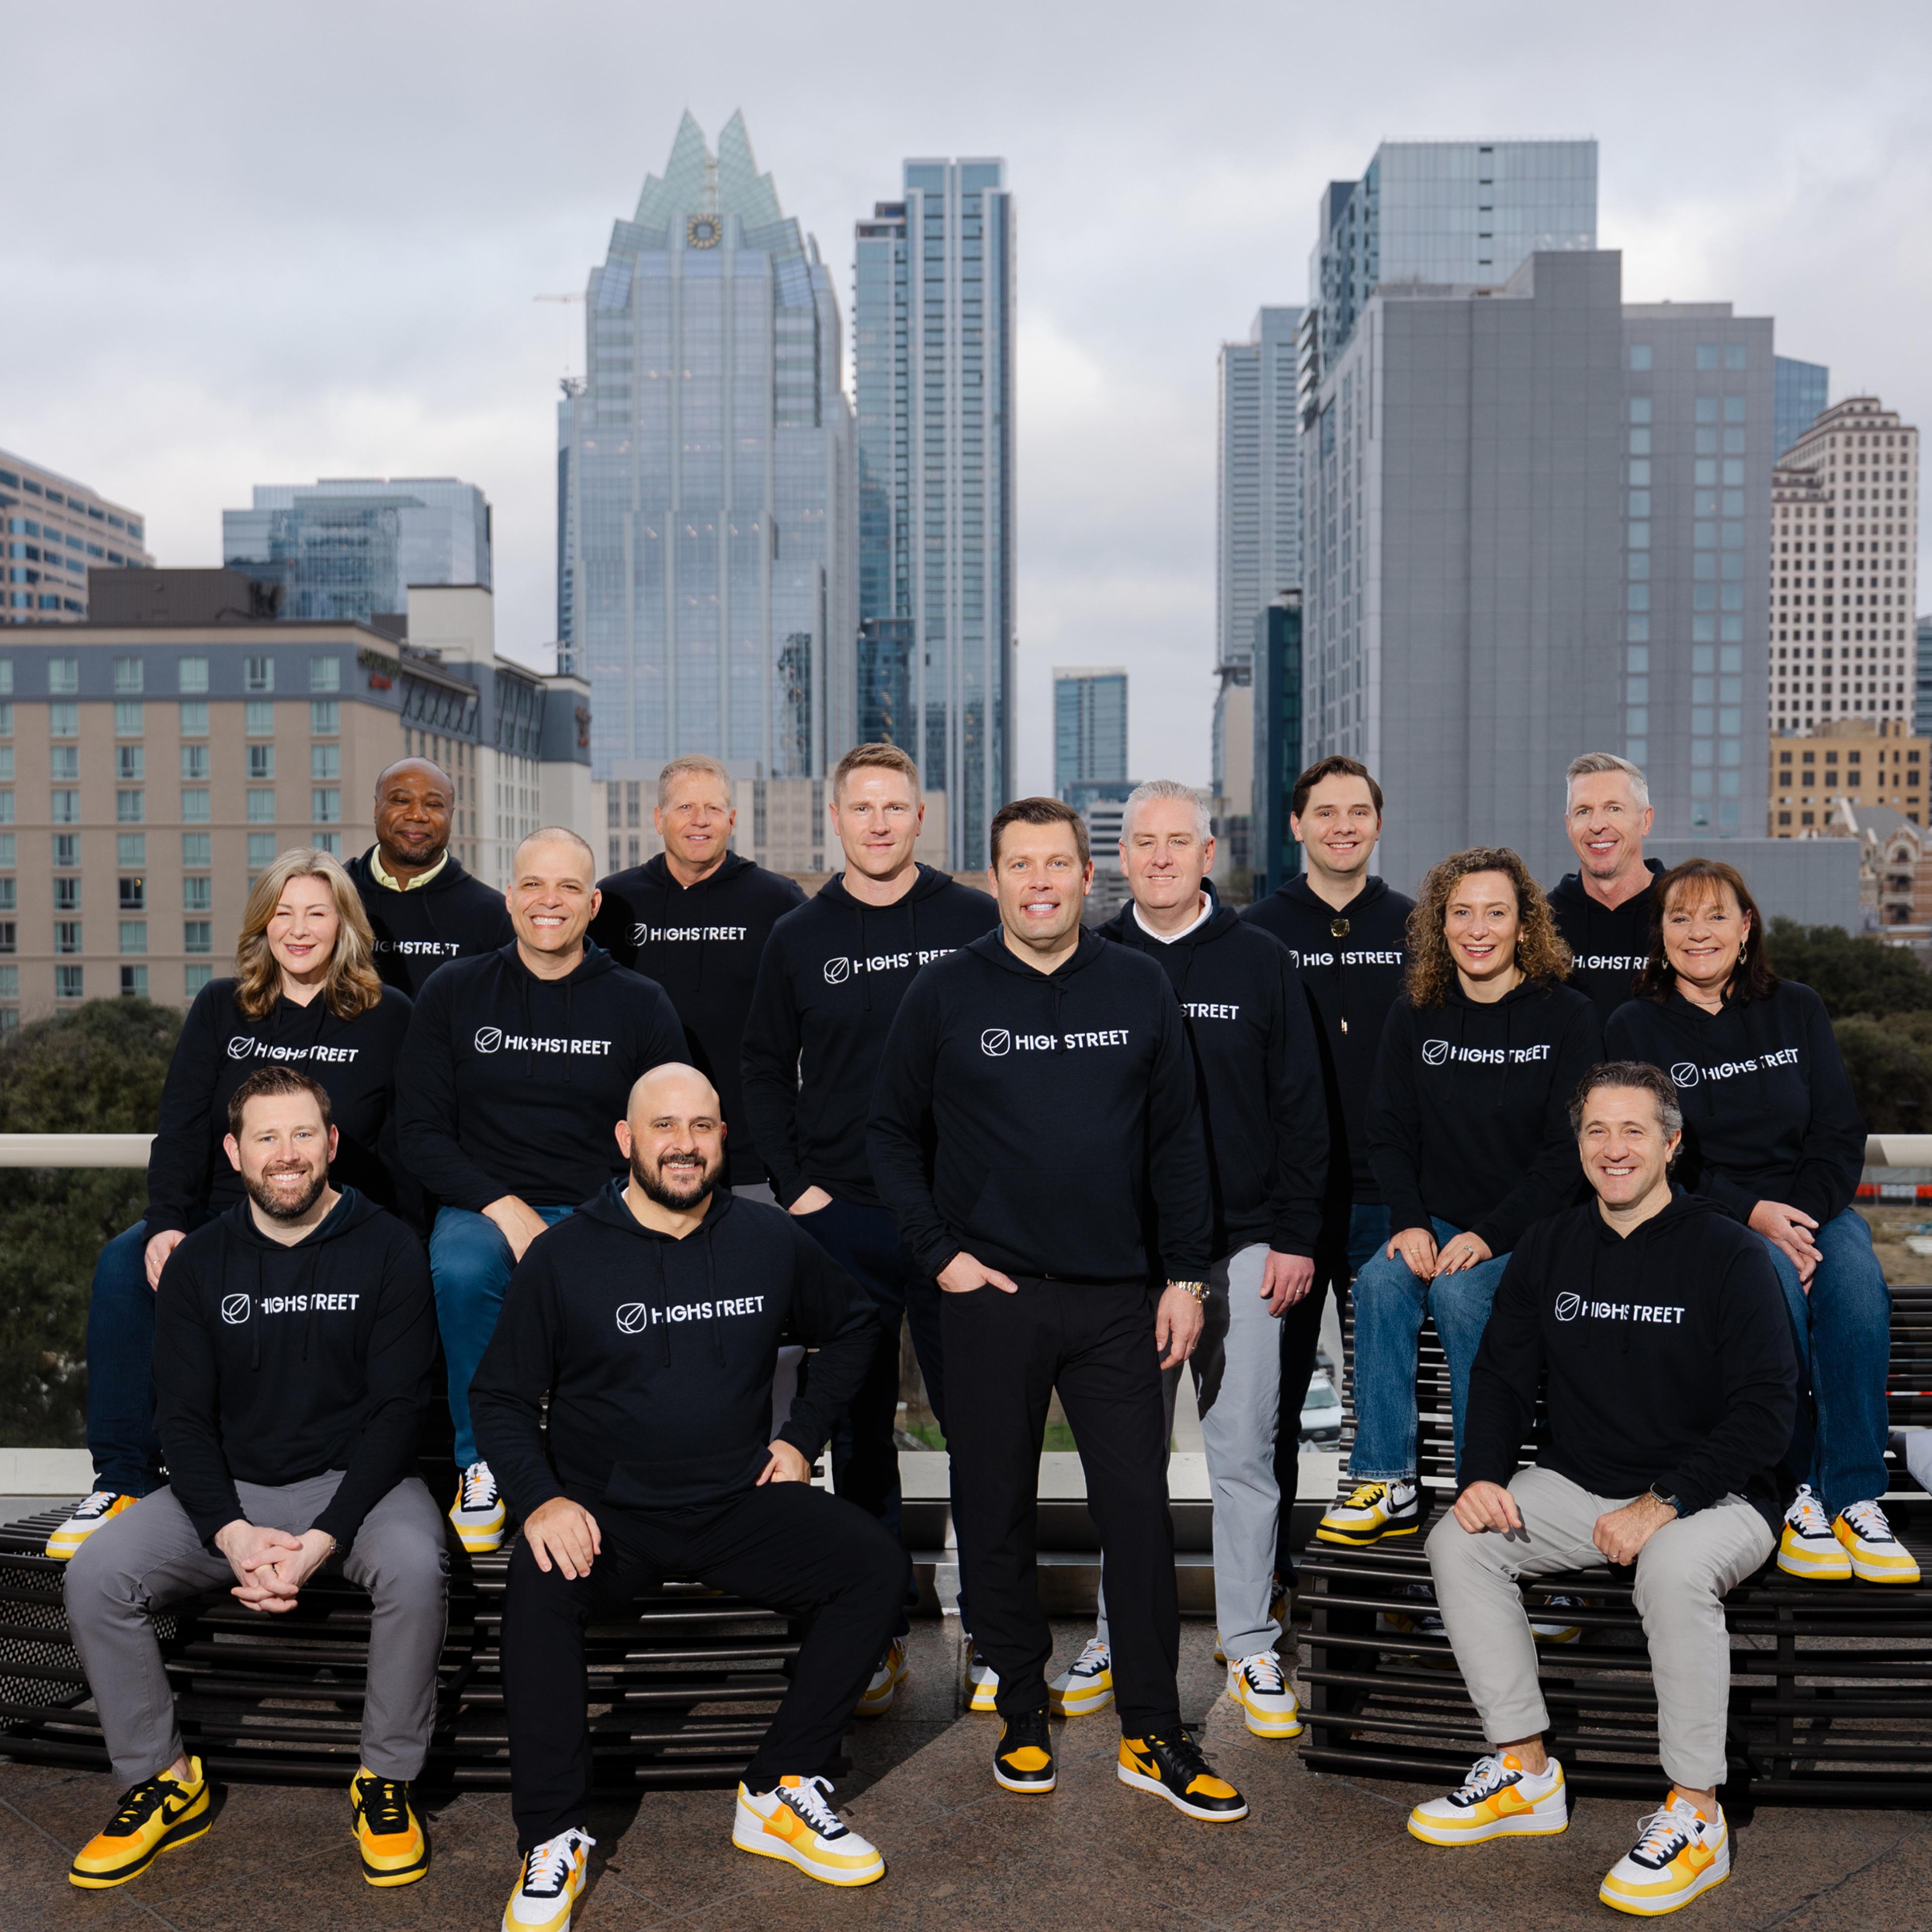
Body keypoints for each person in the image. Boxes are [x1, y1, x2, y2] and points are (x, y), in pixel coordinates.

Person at [870, 796, 1246, 1822]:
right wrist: (939, 1256)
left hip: (1122, 1300)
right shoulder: (942, 993)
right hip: (991, 1298)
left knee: (1139, 1515)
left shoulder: (1138, 984)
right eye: (1019, 865)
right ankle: (1024, 1708)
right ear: (995, 880)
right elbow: (890, 1136)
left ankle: (1155, 1730)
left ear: (1091, 877)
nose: (1039, 881)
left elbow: (1179, 1142)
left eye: (1057, 864)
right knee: (994, 1506)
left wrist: (1184, 1276)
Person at [474, 1064, 905, 1924]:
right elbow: (501, 1397)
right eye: (665, 1126)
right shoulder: (566, 1256)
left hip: (734, 1503)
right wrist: (544, 1501)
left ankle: (779, 1786)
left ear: (722, 1139)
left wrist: (799, 1439)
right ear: (626, 1141)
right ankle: (552, 1835)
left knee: (875, 1567)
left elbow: (856, 1327)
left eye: (703, 1126)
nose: (685, 1144)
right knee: (534, 1588)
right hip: (608, 1515)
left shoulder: (767, 1237)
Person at [1412, 1062, 1795, 1918]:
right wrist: (1480, 1477)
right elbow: (1504, 1378)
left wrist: (1664, 1504)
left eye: (1633, 1131)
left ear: (1671, 1143)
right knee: (1456, 1542)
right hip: (1583, 1487)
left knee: (1670, 1569)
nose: (1614, 1149)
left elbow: (1768, 1415)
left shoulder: (1729, 1253)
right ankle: (1525, 1770)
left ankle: (1698, 1816)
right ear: (1578, 1144)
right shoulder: (1551, 1243)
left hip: (1717, 1497)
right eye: (1596, 1130)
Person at [63, 1068, 445, 1892]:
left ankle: (385, 1779)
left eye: (303, 1134)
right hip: (235, 1490)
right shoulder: (201, 1263)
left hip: (361, 1488)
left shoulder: (390, 1249)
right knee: (98, 1573)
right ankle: (164, 1782)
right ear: (235, 1153)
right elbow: (184, 1423)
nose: (287, 1155)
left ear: (332, 1143)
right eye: (266, 1138)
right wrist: (231, 1533)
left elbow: (398, 1415)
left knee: (417, 1568)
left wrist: (322, 1541)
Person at [1046, 780, 1326, 1739]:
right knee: (1127, 1468)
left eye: (1180, 842)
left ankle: (1249, 1643)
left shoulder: (1261, 961)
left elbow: (1303, 1110)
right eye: (1143, 843)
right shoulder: (1090, 961)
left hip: (1246, 1247)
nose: (1161, 858)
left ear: (1211, 853)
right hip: (1127, 1262)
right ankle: (1118, 1637)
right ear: (1120, 859)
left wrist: (1295, 1237)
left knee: (1244, 1457)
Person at [54, 851, 414, 1562]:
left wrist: (397, 1239)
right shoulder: (224, 1005)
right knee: (125, 1264)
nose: (300, 929)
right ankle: (123, 1480)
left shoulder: (388, 1015)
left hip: (334, 1220)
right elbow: (183, 1127)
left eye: (317, 912)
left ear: (344, 925)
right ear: (263, 925)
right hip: (223, 1219)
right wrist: (167, 1225)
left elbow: (404, 1145)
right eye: (283, 912)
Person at [740, 743, 998, 1714]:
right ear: (837, 820)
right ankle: (880, 1628)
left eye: (896, 807)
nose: (880, 823)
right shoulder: (799, 935)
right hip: (838, 1223)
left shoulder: (974, 919)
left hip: (957, 1224)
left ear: (920, 817)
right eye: (863, 808)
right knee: (856, 1435)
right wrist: (799, 1190)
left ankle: (988, 1631)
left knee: (980, 1427)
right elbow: (763, 1069)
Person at [1605, 858, 1914, 1584]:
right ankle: (1798, 1489)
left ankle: (1858, 1497)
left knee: (1858, 1289)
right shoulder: (1635, 1025)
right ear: (1661, 937)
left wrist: (1798, 1219)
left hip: (1812, 1207)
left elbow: (1838, 1133)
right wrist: (1754, 1215)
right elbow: (1655, 1157)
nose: (1698, 932)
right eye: (1680, 918)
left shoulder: (1797, 1007)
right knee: (1770, 1282)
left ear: (1747, 929)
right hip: (1707, 1216)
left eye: (1716, 916)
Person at [395, 827, 686, 1556]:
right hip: (484, 1204)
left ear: (591, 905)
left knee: (633, 1276)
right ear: (509, 898)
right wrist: (502, 1205)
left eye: (565, 889)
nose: (546, 902)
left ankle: (618, 1466)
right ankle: (481, 1464)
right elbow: (421, 1132)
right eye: (532, 885)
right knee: (461, 1269)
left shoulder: (639, 1002)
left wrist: (608, 1213)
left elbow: (670, 1129)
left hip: (605, 1205)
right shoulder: (455, 991)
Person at [1318, 846, 1600, 1549]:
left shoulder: (1567, 1016)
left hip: (1534, 1225)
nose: (1478, 928)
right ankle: (1388, 1479)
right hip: (1437, 1217)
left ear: (1525, 927)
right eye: (1461, 913)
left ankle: (1486, 1483)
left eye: (1496, 913)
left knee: (1461, 1295)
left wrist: (1490, 1236)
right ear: (1440, 928)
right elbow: (1388, 1134)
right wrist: (1411, 1224)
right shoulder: (1415, 1014)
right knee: (1381, 1282)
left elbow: (1569, 1155)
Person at [1242, 755, 1413, 1581]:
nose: (1343, 825)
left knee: (1389, 1401)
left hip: (1393, 1199)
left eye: (1359, 812)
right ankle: (1265, 1588)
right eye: (1326, 811)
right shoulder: (1255, 932)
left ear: (1379, 825)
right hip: (1291, 1208)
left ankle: (1382, 1589)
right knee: (1271, 1407)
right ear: (1297, 825)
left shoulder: (1423, 927)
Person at [589, 754, 804, 1198]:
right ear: (658, 818)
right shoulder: (613, 902)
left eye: (713, 809)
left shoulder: (778, 901)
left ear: (733, 818)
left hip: (754, 1156)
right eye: (685, 807)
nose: (699, 821)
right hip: (640, 1155)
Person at [346, 757, 514, 995]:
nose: (417, 815)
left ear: (451, 816)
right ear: (376, 809)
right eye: (402, 801)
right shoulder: (332, 896)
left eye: (434, 805)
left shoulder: (493, 914)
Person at [1548, 752, 1665, 1027]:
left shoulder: (1684, 912)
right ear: (1569, 826)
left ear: (1646, 821)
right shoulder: (1541, 921)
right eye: (1583, 811)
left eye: (1614, 808)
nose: (1597, 825)